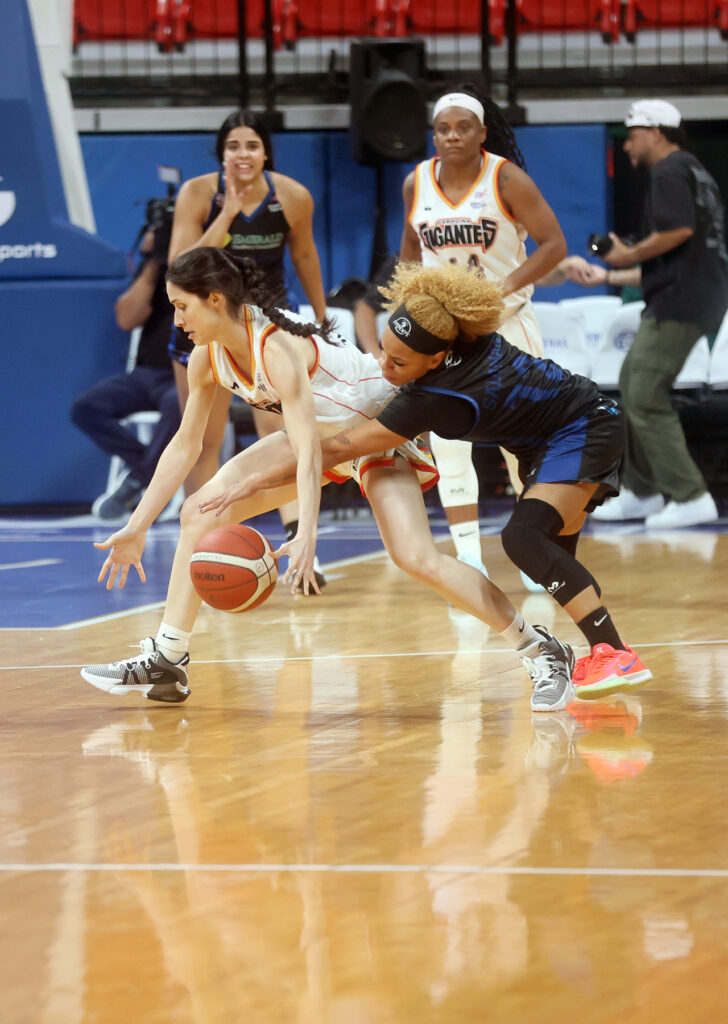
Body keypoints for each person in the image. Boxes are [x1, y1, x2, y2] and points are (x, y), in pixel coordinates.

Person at [80, 248, 576, 714]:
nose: (177, 321)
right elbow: (184, 446)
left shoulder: (277, 348)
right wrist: (138, 526)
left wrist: (306, 535)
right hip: (322, 439)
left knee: (417, 558)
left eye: (181, 307)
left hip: (377, 429)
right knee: (199, 511)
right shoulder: (208, 357)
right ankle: (168, 659)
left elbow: (310, 451)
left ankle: (539, 648)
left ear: (214, 299)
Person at [212, 261, 653, 700]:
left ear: (437, 359)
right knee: (555, 561)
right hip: (547, 444)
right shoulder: (462, 334)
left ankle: (613, 652)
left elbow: (336, 449)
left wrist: (256, 481)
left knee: (523, 538)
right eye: (382, 351)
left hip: (583, 427)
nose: (385, 366)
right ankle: (592, 653)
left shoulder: (433, 397)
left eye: (399, 361)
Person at [400, 83, 567, 588]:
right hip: (447, 335)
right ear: (434, 136)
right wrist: (410, 307)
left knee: (524, 447)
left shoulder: (506, 178)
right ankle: (469, 559)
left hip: (507, 325)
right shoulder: (416, 183)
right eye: (443, 129)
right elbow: (410, 253)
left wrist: (502, 288)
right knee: (449, 447)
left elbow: (554, 245)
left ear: (481, 133)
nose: (452, 136)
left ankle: (536, 551)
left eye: (463, 127)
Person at [168, 109, 329, 585]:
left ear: (266, 153)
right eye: (233, 146)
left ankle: (299, 542)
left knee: (281, 435)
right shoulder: (198, 193)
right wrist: (227, 214)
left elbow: (305, 255)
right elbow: (181, 266)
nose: (243, 154)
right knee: (203, 440)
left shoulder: (292, 196)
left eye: (252, 145)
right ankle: (201, 540)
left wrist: (321, 318)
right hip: (205, 325)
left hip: (266, 325)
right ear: (221, 154)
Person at [584, 99, 728, 529]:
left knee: (645, 394)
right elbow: (679, 253)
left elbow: (678, 231)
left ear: (657, 132)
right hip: (693, 295)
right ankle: (642, 492)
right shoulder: (694, 171)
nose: (627, 146)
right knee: (632, 385)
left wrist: (628, 252)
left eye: (632, 136)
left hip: (680, 301)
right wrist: (612, 272)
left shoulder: (668, 170)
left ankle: (689, 495)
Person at [70, 226, 180, 520]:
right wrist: (154, 262)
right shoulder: (155, 270)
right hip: (146, 374)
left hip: (187, 374)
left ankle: (138, 482)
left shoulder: (204, 267)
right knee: (85, 408)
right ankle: (147, 476)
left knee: (178, 403)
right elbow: (127, 319)